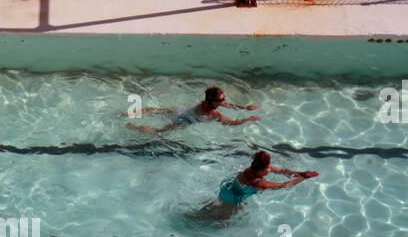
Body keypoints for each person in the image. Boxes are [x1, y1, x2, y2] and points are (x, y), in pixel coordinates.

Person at [189, 151, 317, 224]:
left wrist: (301, 173)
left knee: (215, 207)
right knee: (221, 222)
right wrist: (304, 178)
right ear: (261, 170)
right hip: (232, 199)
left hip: (228, 188)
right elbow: (285, 185)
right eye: (268, 168)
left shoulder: (254, 168)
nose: (270, 169)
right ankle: (192, 222)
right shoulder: (258, 183)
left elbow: (283, 171)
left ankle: (195, 215)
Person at [128, 87, 260, 133]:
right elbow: (230, 123)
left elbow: (227, 105)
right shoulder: (212, 113)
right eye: (221, 100)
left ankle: (131, 113)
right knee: (159, 132)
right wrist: (247, 119)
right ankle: (133, 127)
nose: (224, 101)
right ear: (214, 102)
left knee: (157, 110)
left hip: (183, 111)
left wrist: (245, 108)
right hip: (184, 120)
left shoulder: (206, 103)